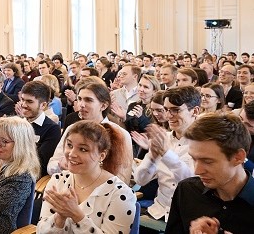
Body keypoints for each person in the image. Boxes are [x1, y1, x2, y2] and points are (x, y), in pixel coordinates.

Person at [37, 121, 137, 233]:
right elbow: (41, 231)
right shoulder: (57, 180)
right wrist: (60, 216)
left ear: (101, 156)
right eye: (69, 145)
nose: (71, 154)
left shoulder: (120, 193)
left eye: (83, 149)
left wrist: (77, 215)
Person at [166, 112, 254, 233]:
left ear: (238, 157)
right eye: (194, 158)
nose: (197, 171)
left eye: (207, 161)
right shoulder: (187, 190)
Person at [47, 78, 133, 184]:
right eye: (79, 99)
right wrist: (61, 165)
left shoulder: (120, 134)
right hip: (69, 186)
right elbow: (51, 165)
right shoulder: (72, 129)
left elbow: (123, 177)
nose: (81, 105)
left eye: (88, 100)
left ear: (103, 105)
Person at [132, 86, 199, 223]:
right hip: (158, 212)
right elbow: (141, 180)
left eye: (176, 110)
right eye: (167, 110)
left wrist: (166, 154)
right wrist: (152, 157)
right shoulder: (164, 138)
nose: (168, 116)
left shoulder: (204, 142)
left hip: (188, 217)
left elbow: (192, 184)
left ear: (195, 111)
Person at [14, 81, 61, 176]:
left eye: (29, 101)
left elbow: (40, 163)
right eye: (22, 99)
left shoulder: (52, 129)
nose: (23, 104)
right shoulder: (17, 123)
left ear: (43, 105)